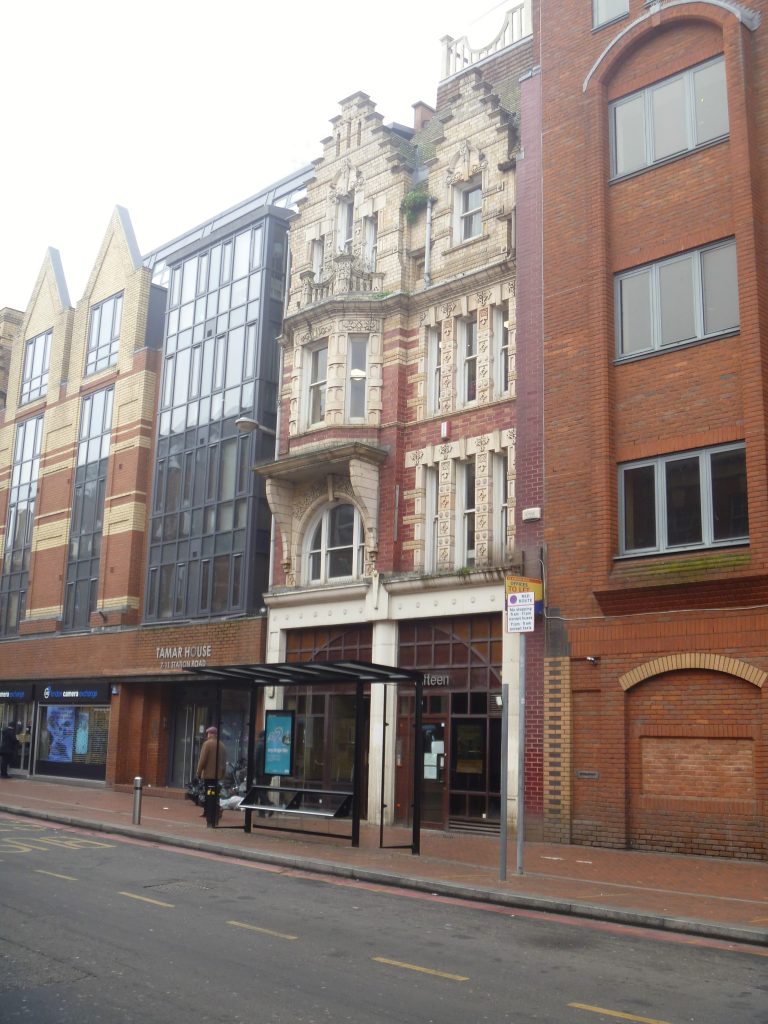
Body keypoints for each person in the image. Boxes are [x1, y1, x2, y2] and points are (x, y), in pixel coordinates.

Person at [196, 726, 227, 828]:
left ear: (210, 734)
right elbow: (224, 762)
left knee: (209, 796)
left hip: (209, 777)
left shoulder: (207, 744)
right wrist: (222, 774)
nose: (207, 736)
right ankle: (216, 819)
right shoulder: (222, 745)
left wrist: (198, 773)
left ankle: (210, 820)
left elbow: (202, 760)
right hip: (217, 777)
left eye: (207, 734)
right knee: (216, 797)